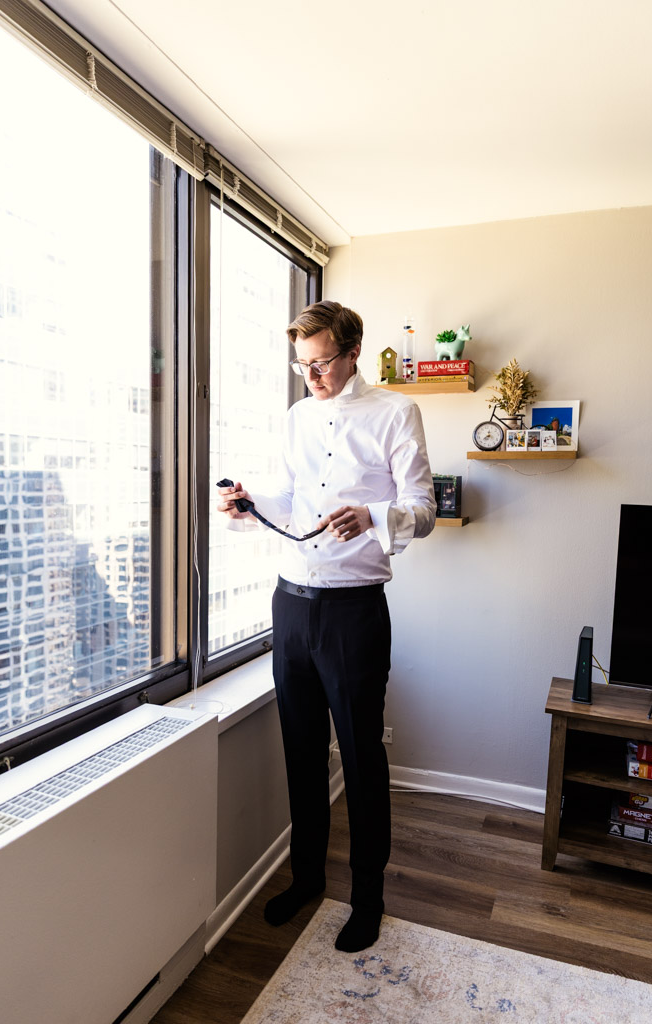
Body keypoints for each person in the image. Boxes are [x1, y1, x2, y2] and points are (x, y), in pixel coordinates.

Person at [217, 300, 436, 952]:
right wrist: (249, 501)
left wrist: (370, 516)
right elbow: (289, 498)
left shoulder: (396, 412)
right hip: (290, 605)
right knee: (301, 751)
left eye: (321, 363)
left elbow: (421, 509)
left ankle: (367, 897)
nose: (311, 375)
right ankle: (306, 879)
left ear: (351, 352)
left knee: (362, 758)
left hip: (352, 610)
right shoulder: (296, 417)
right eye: (301, 364)